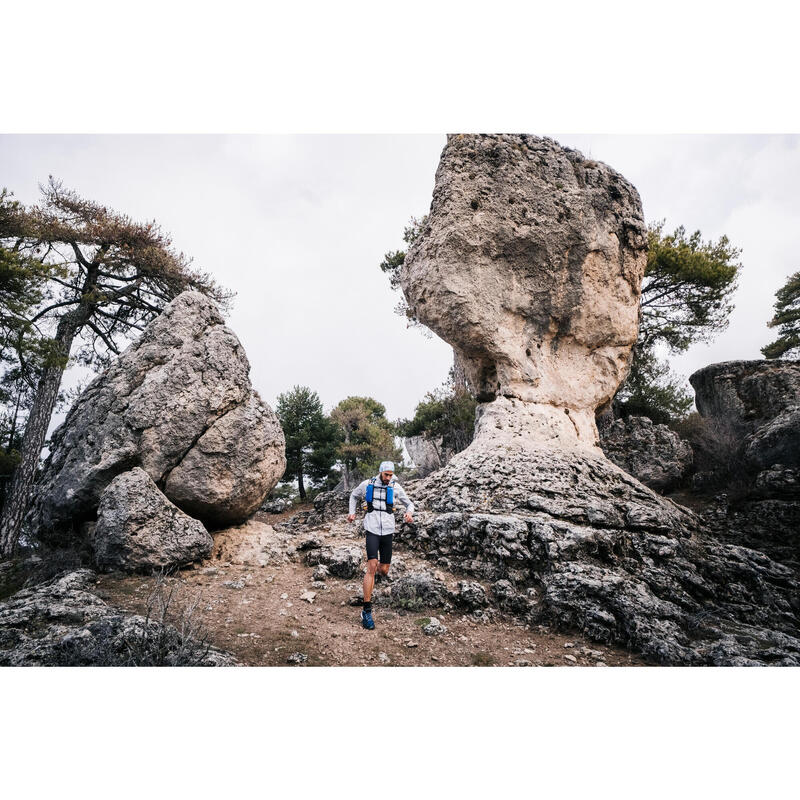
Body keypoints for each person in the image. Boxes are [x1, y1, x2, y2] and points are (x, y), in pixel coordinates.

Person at [347, 460, 414, 630]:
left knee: (383, 570)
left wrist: (409, 513)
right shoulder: (367, 484)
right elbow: (354, 495)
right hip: (372, 529)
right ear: (380, 472)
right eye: (386, 475)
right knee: (372, 566)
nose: (388, 478)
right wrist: (352, 512)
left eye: (391, 475)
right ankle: (366, 611)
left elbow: (410, 503)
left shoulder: (396, 487)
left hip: (388, 531)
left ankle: (373, 576)